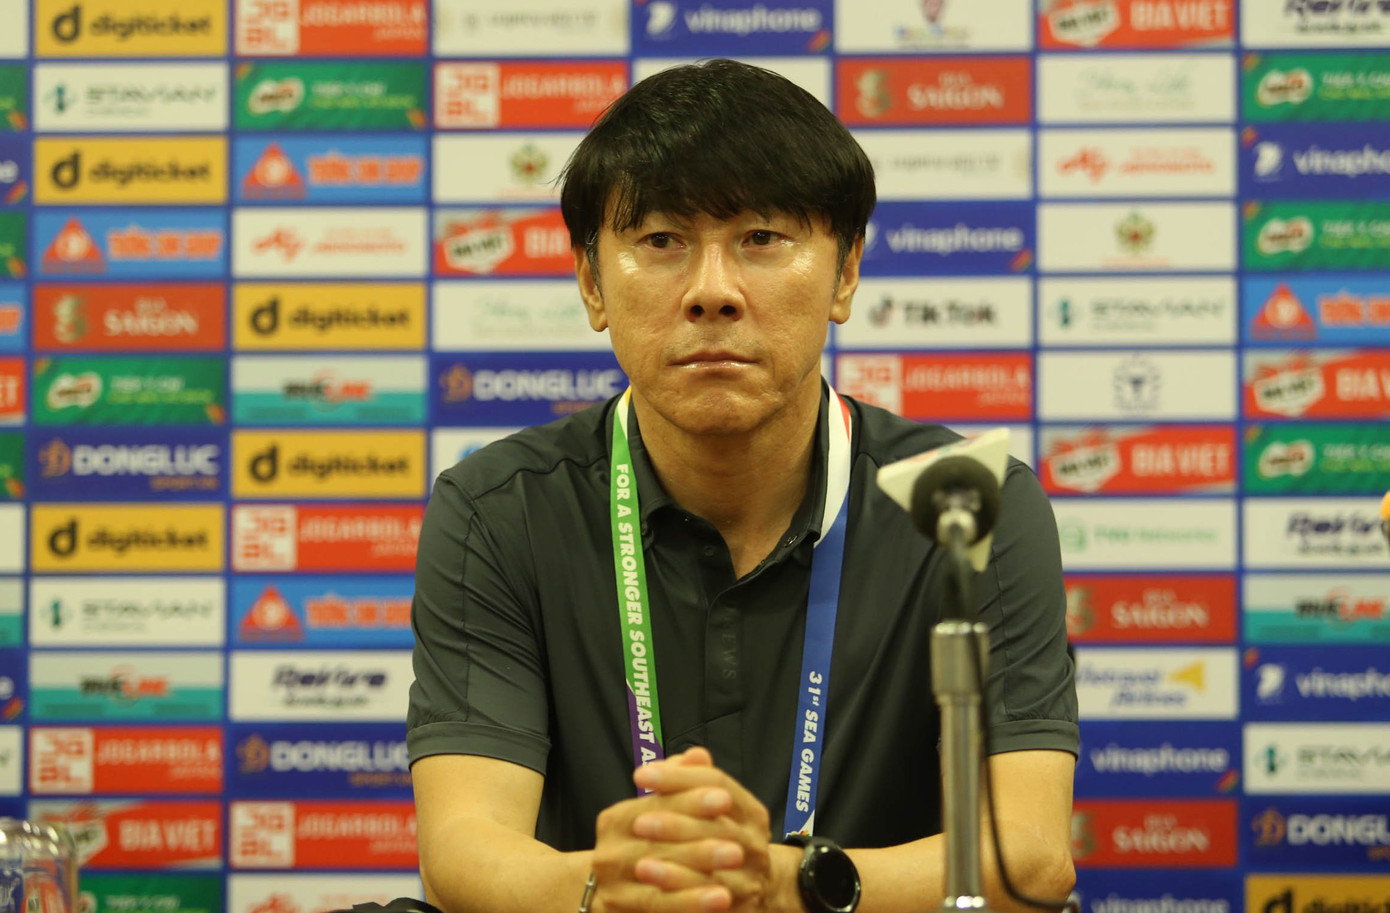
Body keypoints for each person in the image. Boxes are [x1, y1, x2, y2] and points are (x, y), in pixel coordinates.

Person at [408, 58, 1078, 913]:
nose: (712, 292)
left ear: (845, 273)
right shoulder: (499, 508)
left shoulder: (966, 506)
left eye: (761, 238)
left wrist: (781, 881)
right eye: (661, 241)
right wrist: (616, 884)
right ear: (591, 283)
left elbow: (1029, 857)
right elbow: (463, 849)